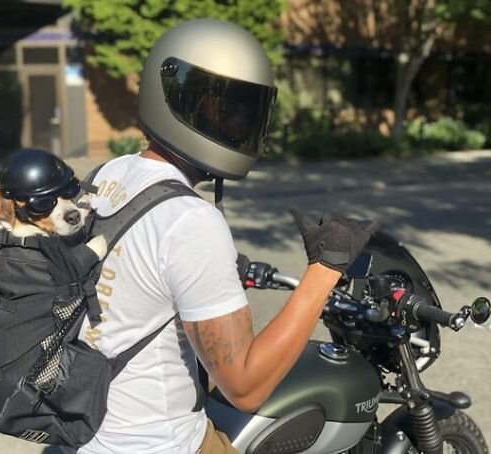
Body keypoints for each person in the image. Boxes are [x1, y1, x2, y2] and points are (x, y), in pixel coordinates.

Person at [75, 18, 378, 454]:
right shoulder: (189, 220)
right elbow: (245, 386)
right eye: (225, 106)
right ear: (180, 100)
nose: (239, 121)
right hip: (158, 443)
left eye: (246, 108)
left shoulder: (106, 175)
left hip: (83, 429)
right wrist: (325, 271)